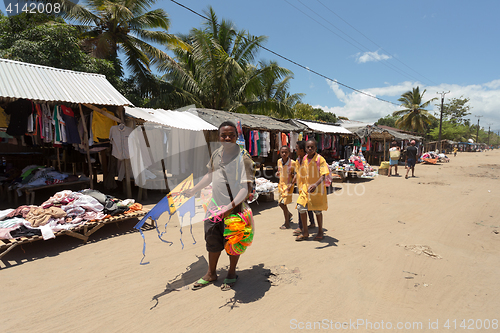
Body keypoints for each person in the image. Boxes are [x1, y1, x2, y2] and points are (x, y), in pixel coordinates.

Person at [182, 121, 254, 291]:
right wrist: (194, 189)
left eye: (231, 135)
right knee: (212, 240)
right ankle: (211, 273)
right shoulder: (216, 154)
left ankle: (231, 272)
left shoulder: (244, 158)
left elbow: (246, 188)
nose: (227, 138)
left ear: (236, 137)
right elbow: (209, 176)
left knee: (233, 242)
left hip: (235, 210)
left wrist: (230, 206)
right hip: (214, 207)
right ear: (219, 137)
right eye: (223, 135)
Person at [295, 139, 329, 241]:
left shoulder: (320, 159)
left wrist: (315, 184)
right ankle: (305, 232)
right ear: (305, 148)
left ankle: (320, 231)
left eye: (312, 147)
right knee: (301, 207)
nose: (310, 149)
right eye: (308, 147)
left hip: (317, 189)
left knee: (317, 211)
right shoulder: (304, 158)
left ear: (315, 148)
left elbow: (323, 175)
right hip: (305, 189)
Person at [292, 141, 315, 237]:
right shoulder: (298, 160)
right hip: (301, 186)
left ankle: (300, 227)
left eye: (296, 148)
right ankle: (312, 223)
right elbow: (297, 173)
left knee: (300, 205)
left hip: (308, 186)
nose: (295, 150)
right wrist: (292, 183)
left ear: (301, 150)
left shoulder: (308, 160)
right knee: (307, 205)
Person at [276, 146, 294, 229]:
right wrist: (278, 173)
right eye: (282, 152)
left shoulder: (292, 163)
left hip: (288, 185)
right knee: (280, 204)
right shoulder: (279, 161)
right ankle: (289, 214)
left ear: (289, 153)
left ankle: (287, 223)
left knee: (283, 203)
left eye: (286, 152)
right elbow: (280, 171)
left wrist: (292, 183)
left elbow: (296, 175)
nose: (284, 154)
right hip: (281, 185)